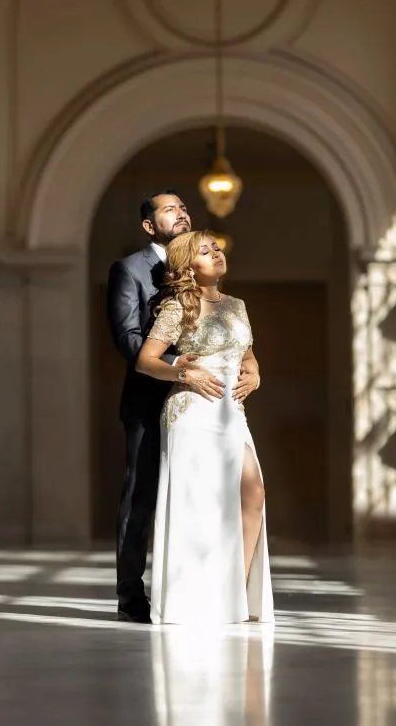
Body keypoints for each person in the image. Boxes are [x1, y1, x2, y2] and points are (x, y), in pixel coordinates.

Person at [107, 190, 261, 623]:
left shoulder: (225, 295)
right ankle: (132, 596)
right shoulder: (131, 269)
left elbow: (240, 341)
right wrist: (180, 367)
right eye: (170, 209)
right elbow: (129, 338)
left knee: (228, 495)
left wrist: (251, 368)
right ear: (148, 224)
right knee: (143, 498)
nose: (182, 213)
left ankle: (223, 591)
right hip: (154, 398)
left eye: (183, 207)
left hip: (214, 401)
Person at [136, 230, 274, 624]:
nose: (216, 253)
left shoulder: (237, 305)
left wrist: (257, 373)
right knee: (199, 502)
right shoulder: (179, 306)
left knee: (254, 492)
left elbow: (246, 353)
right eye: (205, 250)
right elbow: (146, 360)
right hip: (193, 408)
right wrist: (182, 372)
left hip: (231, 410)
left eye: (217, 247)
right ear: (186, 266)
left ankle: (236, 592)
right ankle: (193, 600)